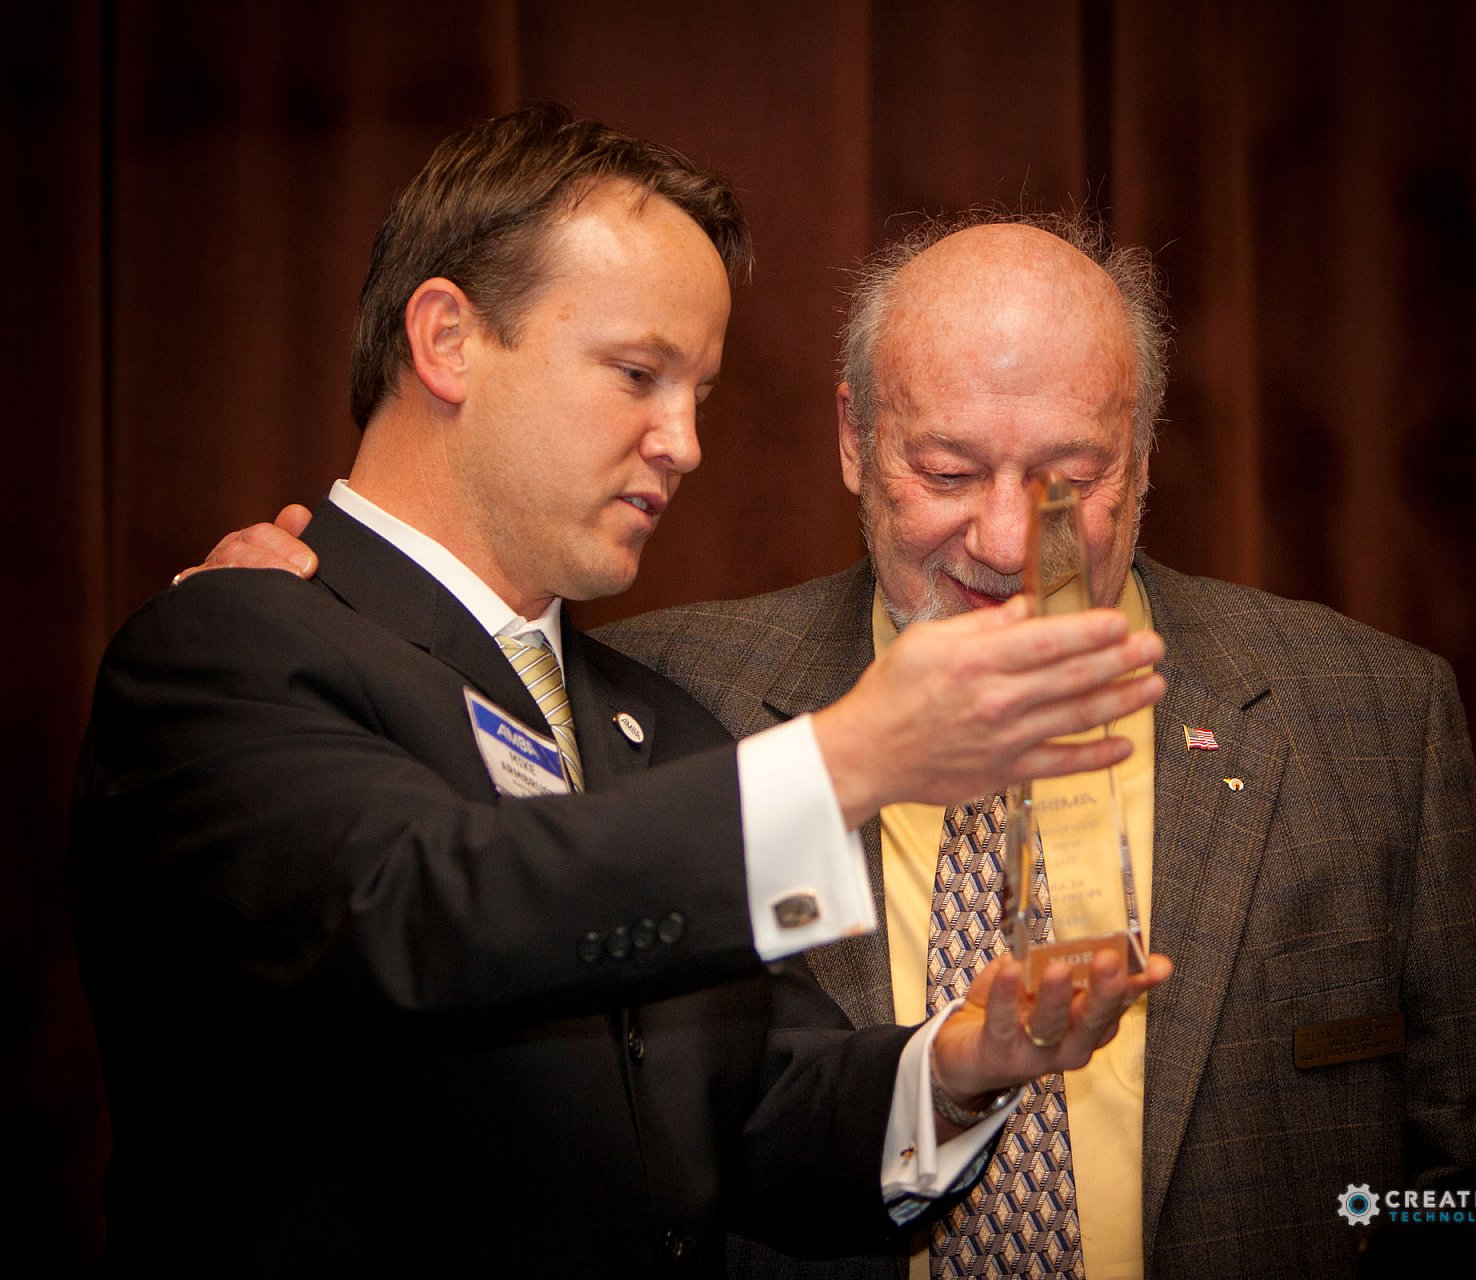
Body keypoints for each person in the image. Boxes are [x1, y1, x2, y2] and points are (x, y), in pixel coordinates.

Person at [212, 204, 1476, 1278]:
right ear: (856, 442)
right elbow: (433, 854)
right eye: (947, 470)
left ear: (1146, 454)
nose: (1006, 540)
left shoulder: (1368, 715)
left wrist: (1361, 1218)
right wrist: (293, 601)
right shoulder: (661, 701)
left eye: (1072, 479)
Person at [74, 112, 1177, 1278]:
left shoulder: (654, 721)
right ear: (448, 338)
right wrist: (852, 754)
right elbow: (431, 910)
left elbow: (757, 1111)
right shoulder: (225, 641)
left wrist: (958, 1067)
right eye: (639, 375)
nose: (686, 442)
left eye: (699, 390)